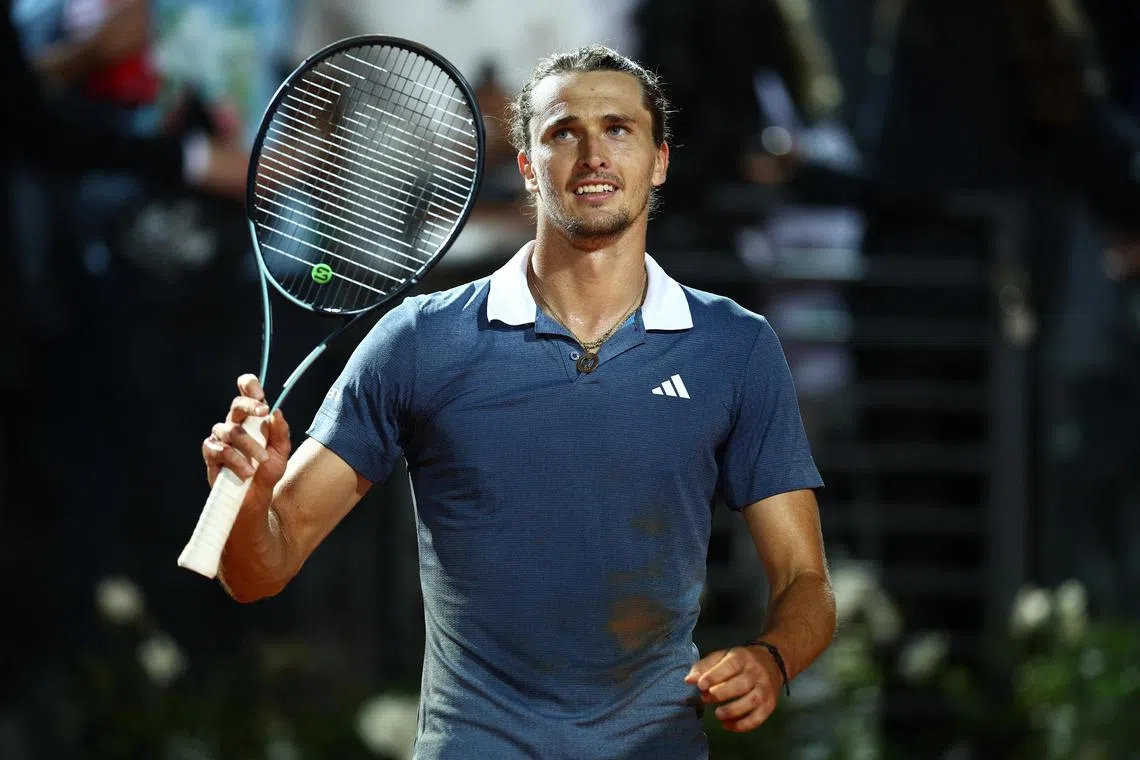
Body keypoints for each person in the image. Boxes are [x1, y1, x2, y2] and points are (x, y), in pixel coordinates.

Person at [202, 45, 836, 759]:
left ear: (659, 161)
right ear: (528, 167)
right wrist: (251, 502)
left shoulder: (736, 347)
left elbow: (804, 580)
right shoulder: (419, 341)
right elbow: (260, 572)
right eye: (565, 131)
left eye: (618, 129)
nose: (594, 154)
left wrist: (772, 659)